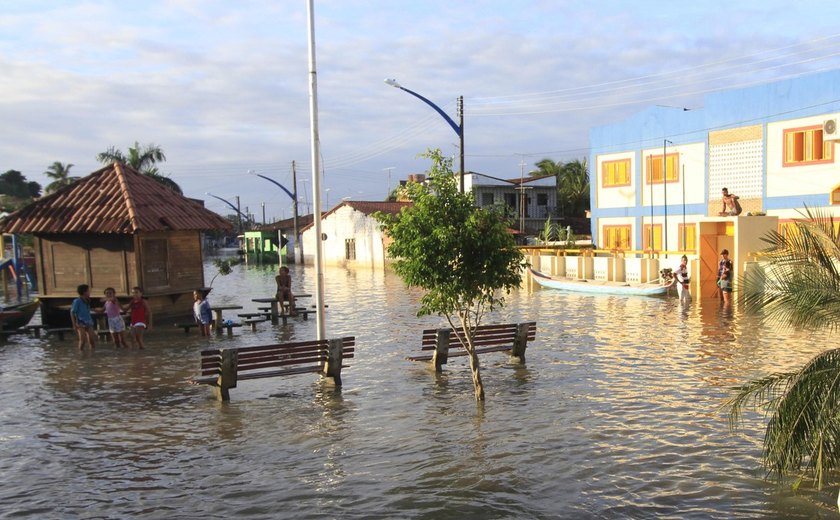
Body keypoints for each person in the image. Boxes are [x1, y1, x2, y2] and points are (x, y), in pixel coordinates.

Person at [70, 284, 96, 351]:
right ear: (84, 292)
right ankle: (81, 354)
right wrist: (74, 324)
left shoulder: (87, 300)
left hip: (89, 321)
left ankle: (92, 353)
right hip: (80, 322)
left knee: (92, 340)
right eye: (88, 291)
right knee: (83, 340)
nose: (89, 292)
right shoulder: (77, 301)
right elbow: (72, 312)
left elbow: (87, 310)